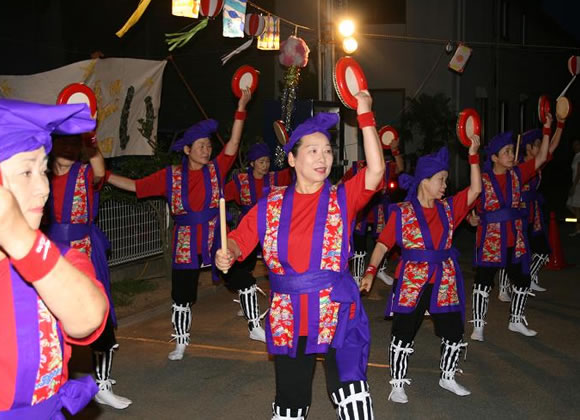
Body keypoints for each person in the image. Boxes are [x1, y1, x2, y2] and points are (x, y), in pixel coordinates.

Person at [216, 91, 384, 419]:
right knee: (291, 404)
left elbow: (376, 171)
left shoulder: (342, 199)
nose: (323, 158)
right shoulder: (270, 207)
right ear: (292, 159)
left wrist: (365, 115)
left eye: (327, 150)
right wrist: (228, 252)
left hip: (337, 308)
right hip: (290, 314)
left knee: (353, 394)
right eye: (312, 151)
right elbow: (239, 240)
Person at [108, 89, 252, 361]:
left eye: (209, 145)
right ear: (187, 150)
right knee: (182, 295)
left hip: (214, 235)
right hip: (186, 242)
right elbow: (136, 186)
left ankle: (255, 326)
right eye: (201, 146)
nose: (207, 149)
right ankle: (181, 341)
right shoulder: (171, 175)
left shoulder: (216, 169)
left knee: (241, 277)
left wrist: (241, 107)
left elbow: (233, 142)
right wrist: (106, 176)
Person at [0, 99, 108, 418]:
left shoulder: (61, 261)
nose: (44, 187)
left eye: (43, 169)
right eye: (26, 171)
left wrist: (19, 237)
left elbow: (88, 318)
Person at [359, 137, 481, 404]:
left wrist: (473, 155)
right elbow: (382, 244)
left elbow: (475, 190)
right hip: (412, 281)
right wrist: (370, 271)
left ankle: (447, 376)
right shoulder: (402, 213)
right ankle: (398, 383)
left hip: (444, 278)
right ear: (425, 180)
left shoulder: (448, 209)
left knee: (453, 331)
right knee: (403, 332)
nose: (445, 185)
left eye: (446, 180)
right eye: (441, 179)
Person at [46, 132, 132, 409]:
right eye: (63, 141)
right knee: (48, 324)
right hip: (48, 255)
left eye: (75, 142)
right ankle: (51, 385)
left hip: (83, 252)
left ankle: (102, 385)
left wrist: (91, 136)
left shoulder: (84, 174)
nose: (69, 147)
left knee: (99, 315)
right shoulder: (40, 176)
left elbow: (100, 169)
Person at [469, 114, 552, 342]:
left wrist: (547, 128)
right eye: (506, 152)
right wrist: (471, 219)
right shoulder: (483, 180)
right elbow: (469, 206)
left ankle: (516, 320)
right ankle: (478, 326)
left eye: (511, 151)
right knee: (483, 283)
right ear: (494, 157)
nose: (511, 155)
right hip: (490, 240)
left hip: (515, 239)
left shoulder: (518, 174)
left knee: (523, 281)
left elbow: (543, 156)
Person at [223, 143, 292, 342]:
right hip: (248, 230)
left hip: (270, 230)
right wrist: (218, 212)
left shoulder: (275, 179)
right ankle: (247, 304)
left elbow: (293, 175)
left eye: (267, 161)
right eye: (261, 162)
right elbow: (219, 194)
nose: (265, 165)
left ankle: (276, 307)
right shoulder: (241, 181)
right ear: (252, 163)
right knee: (245, 269)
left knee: (273, 267)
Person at [496, 120, 564, 300]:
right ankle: (503, 287)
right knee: (511, 251)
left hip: (533, 212)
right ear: (528, 148)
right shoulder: (516, 167)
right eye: (538, 145)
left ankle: (530, 277)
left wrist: (560, 124)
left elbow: (553, 146)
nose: (543, 147)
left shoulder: (535, 164)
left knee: (541, 250)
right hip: (518, 213)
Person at [341, 136, 404, 287]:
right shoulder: (357, 167)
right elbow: (342, 185)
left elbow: (400, 168)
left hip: (380, 210)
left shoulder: (386, 166)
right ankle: (356, 277)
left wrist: (395, 149)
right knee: (359, 245)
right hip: (362, 212)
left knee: (383, 241)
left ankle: (380, 271)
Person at [566, 139, 580, 236]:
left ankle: (578, 229)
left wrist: (574, 186)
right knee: (571, 205)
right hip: (576, 183)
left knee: (575, 206)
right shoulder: (576, 156)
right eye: (574, 145)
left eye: (577, 144)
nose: (575, 146)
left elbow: (579, 173)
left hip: (578, 184)